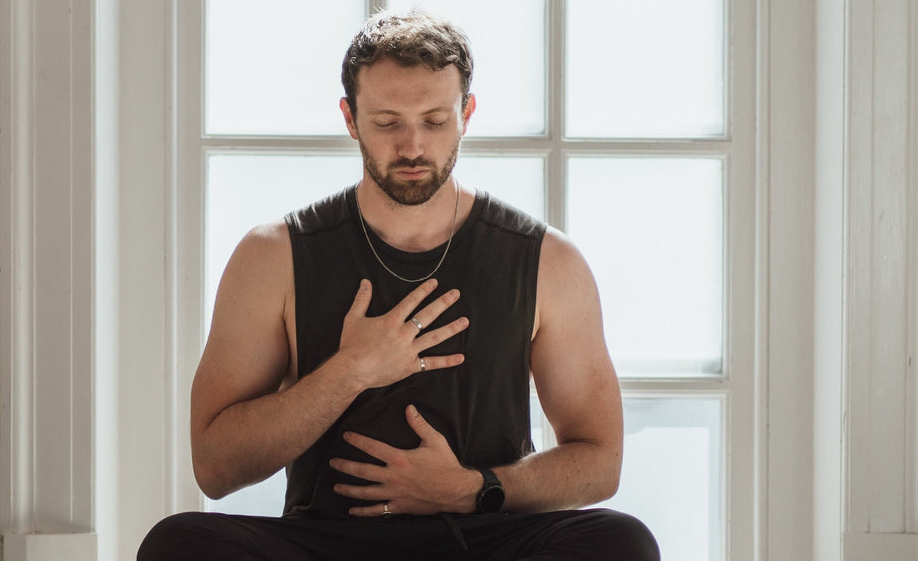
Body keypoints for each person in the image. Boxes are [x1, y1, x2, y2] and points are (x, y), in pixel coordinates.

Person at [139, 8, 659, 561]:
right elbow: (215, 467)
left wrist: (472, 488)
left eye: (435, 120)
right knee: (179, 544)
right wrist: (350, 371)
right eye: (387, 122)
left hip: (482, 533)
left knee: (620, 542)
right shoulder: (272, 255)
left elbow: (601, 461)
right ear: (350, 117)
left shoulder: (548, 260)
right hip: (327, 540)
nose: (412, 146)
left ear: (467, 112)